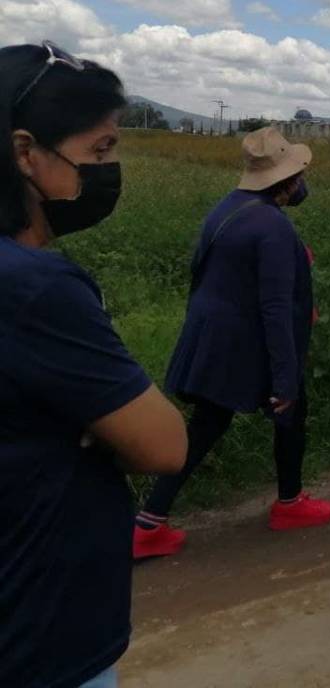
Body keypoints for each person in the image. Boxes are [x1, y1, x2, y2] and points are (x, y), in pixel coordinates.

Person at [0, 41, 188, 688]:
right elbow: (163, 444)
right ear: (26, 153)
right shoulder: (36, 288)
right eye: (100, 151)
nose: (111, 170)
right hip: (42, 633)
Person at [132, 126, 330, 560]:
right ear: (288, 180)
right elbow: (276, 308)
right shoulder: (273, 228)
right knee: (291, 409)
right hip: (247, 342)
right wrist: (285, 377)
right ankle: (290, 504)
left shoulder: (227, 208)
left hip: (212, 336)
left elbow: (204, 273)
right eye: (298, 175)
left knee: (208, 423)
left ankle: (148, 523)